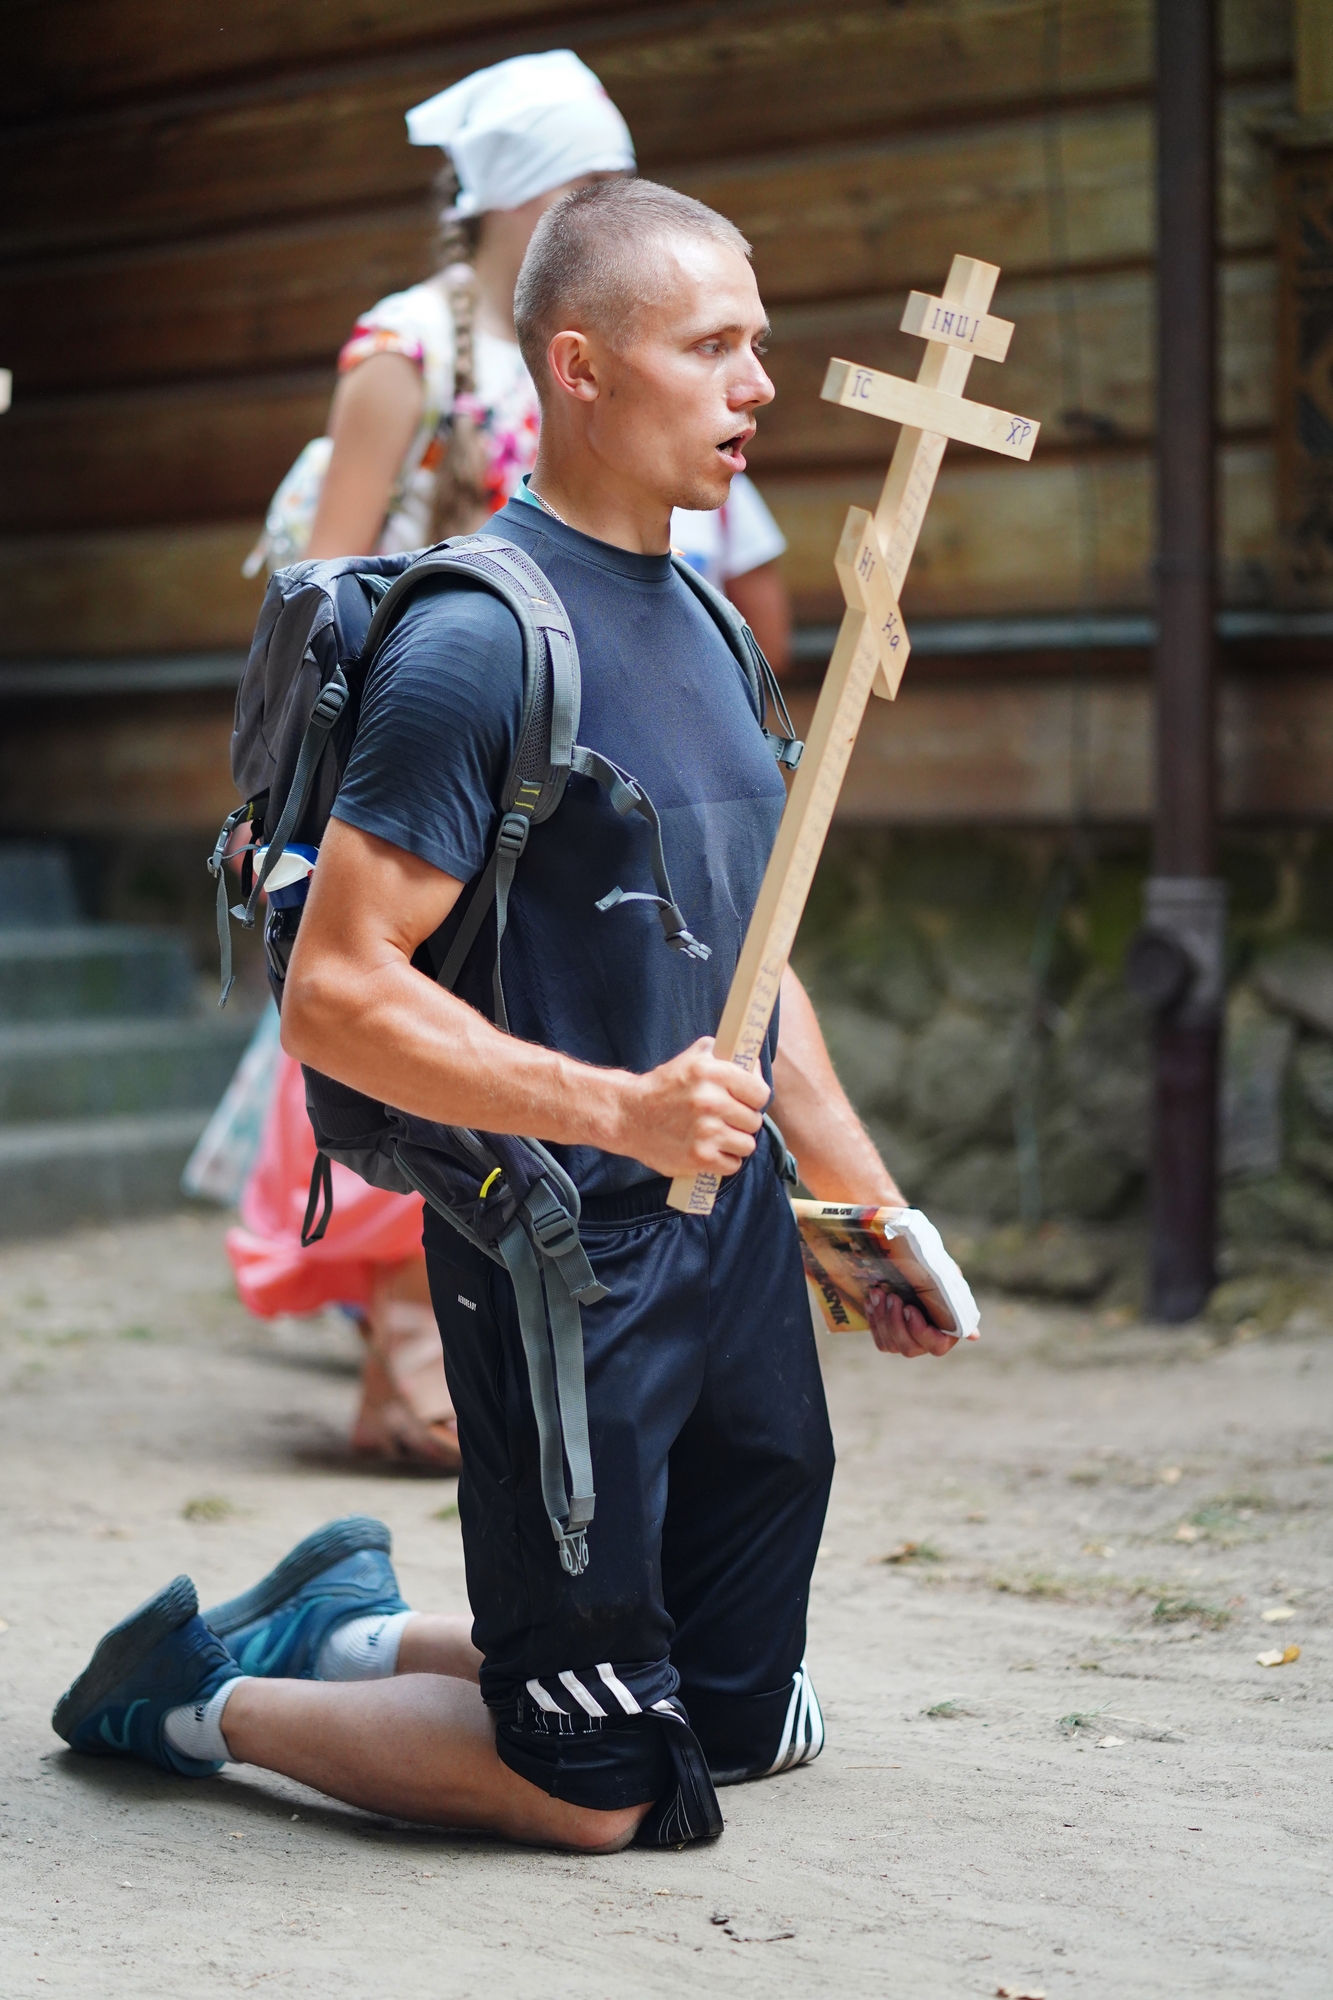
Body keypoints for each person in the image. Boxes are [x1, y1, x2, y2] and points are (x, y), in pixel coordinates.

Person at [56, 180, 959, 1852]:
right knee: (601, 1788)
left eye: (758, 343)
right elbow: (336, 996)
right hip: (564, 1248)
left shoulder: (703, 622)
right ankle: (195, 1699)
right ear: (582, 368)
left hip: (736, 1240)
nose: (758, 382)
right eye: (712, 347)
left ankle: (347, 1625)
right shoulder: (478, 645)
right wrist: (619, 1111)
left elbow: (755, 967)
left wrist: (859, 1214)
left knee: (743, 1725)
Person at [227, 51, 792, 1469]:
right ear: (503, 202)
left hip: (583, 751)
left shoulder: (653, 349)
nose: (605, 212)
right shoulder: (407, 348)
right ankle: (414, 1362)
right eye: (578, 190)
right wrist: (487, 615)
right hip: (461, 739)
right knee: (425, 1032)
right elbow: (329, 581)